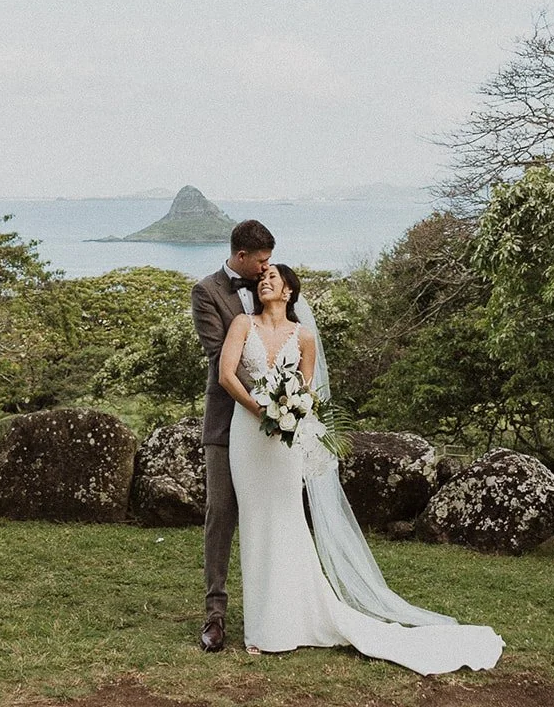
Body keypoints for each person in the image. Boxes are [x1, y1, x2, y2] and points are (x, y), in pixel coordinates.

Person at [217, 262, 504, 674]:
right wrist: (260, 409)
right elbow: (227, 375)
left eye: (272, 278)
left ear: (289, 291)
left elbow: (308, 392)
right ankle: (264, 627)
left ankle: (291, 621)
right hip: (249, 433)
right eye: (261, 278)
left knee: (288, 522)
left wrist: (288, 412)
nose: (264, 282)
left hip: (285, 438)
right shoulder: (243, 324)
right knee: (255, 523)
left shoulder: (305, 336)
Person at [190, 218, 275, 653]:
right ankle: (215, 615)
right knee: (221, 512)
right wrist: (269, 395)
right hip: (227, 421)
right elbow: (219, 354)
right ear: (241, 256)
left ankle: (273, 608)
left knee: (273, 513)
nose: (266, 268)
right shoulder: (206, 291)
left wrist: (285, 402)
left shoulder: (270, 286)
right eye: (261, 261)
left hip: (274, 425)